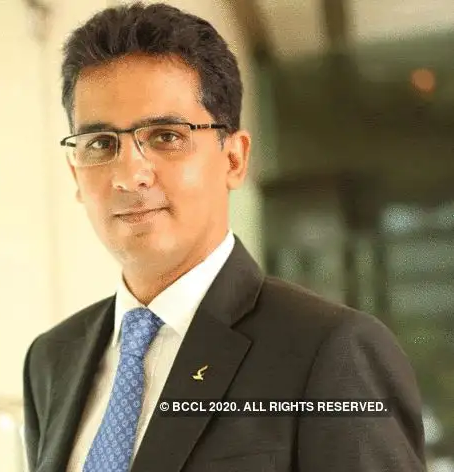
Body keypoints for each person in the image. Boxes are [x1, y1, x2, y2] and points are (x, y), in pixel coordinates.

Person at [22, 3, 426, 471]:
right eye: (100, 143)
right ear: (75, 173)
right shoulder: (51, 360)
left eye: (166, 136)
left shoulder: (330, 351)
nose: (130, 175)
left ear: (234, 159)